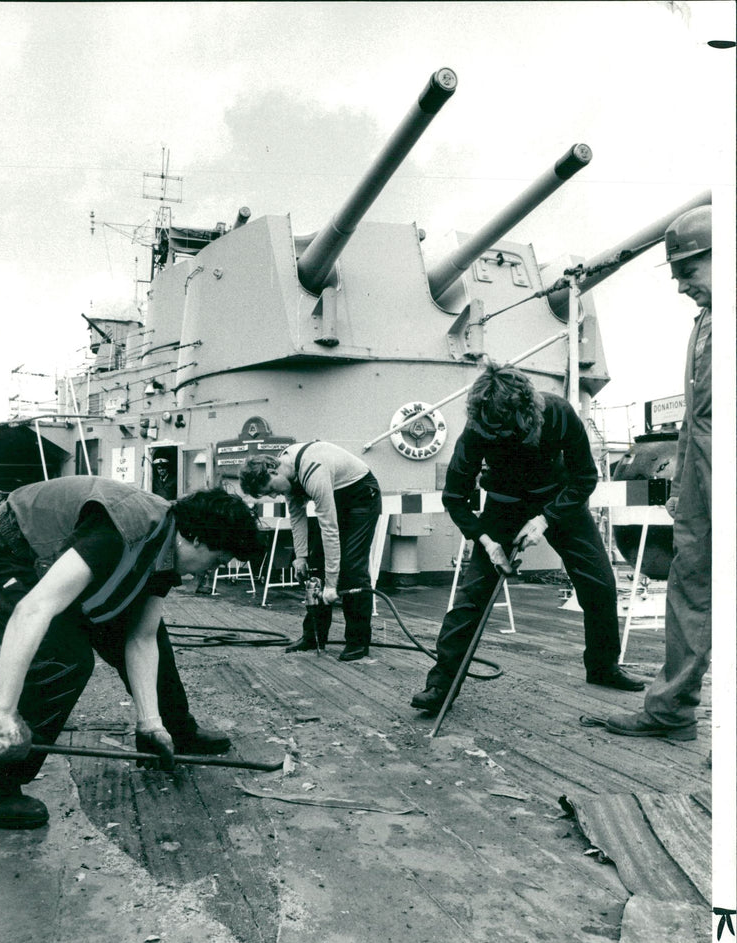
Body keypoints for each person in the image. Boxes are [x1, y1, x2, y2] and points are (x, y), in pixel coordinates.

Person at [0, 477, 262, 829]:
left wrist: (151, 721)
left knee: (156, 642)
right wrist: (4, 713)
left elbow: (142, 639)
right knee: (64, 659)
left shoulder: (167, 550)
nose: (214, 570)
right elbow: (33, 610)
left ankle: (171, 732)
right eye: (218, 559)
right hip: (10, 551)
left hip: (66, 560)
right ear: (194, 537)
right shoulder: (120, 531)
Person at [411, 362, 644, 716]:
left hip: (558, 502)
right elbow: (454, 498)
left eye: (507, 432)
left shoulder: (560, 414)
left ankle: (603, 667)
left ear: (528, 414)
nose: (500, 439)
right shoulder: (475, 431)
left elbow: (584, 477)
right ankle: (441, 683)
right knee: (473, 594)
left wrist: (545, 519)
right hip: (502, 508)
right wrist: (487, 542)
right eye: (493, 434)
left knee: (599, 581)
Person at [607, 205, 711, 741]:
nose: (679, 285)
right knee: (690, 587)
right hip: (703, 478)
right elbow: (697, 421)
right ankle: (671, 711)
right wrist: (684, 488)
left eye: (688, 270)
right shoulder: (705, 323)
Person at [239, 441, 382, 661]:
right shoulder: (287, 475)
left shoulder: (313, 469)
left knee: (352, 567)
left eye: (271, 490)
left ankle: (358, 642)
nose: (275, 495)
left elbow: (329, 529)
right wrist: (301, 557)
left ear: (272, 470)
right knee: (315, 566)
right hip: (337, 497)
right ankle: (313, 637)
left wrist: (333, 585)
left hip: (361, 498)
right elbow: (297, 518)